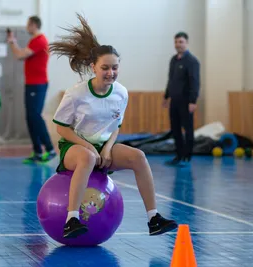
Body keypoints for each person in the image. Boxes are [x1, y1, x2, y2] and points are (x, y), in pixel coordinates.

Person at [49, 14, 178, 239]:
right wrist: (88, 147)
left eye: (115, 67)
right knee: (87, 158)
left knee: (138, 156)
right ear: (94, 67)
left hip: (103, 147)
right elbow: (62, 129)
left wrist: (108, 148)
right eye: (105, 67)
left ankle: (154, 218)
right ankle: (71, 219)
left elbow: (115, 125)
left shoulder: (121, 93)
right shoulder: (76, 94)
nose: (111, 72)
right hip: (74, 148)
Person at [6, 16, 56, 164]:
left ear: (34, 25)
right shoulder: (33, 40)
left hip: (38, 84)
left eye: (28, 24)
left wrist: (12, 42)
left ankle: (50, 149)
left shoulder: (40, 40)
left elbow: (20, 55)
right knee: (30, 117)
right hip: (31, 84)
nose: (27, 27)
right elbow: (20, 55)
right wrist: (12, 42)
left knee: (35, 116)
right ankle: (38, 152)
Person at [163, 32, 200, 167]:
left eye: (181, 42)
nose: (178, 44)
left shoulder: (192, 61)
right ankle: (178, 155)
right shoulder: (174, 60)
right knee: (175, 129)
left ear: (186, 43)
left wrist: (193, 101)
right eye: (176, 42)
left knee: (188, 128)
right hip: (174, 101)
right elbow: (171, 80)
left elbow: (195, 82)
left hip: (186, 102)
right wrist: (166, 96)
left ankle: (187, 156)